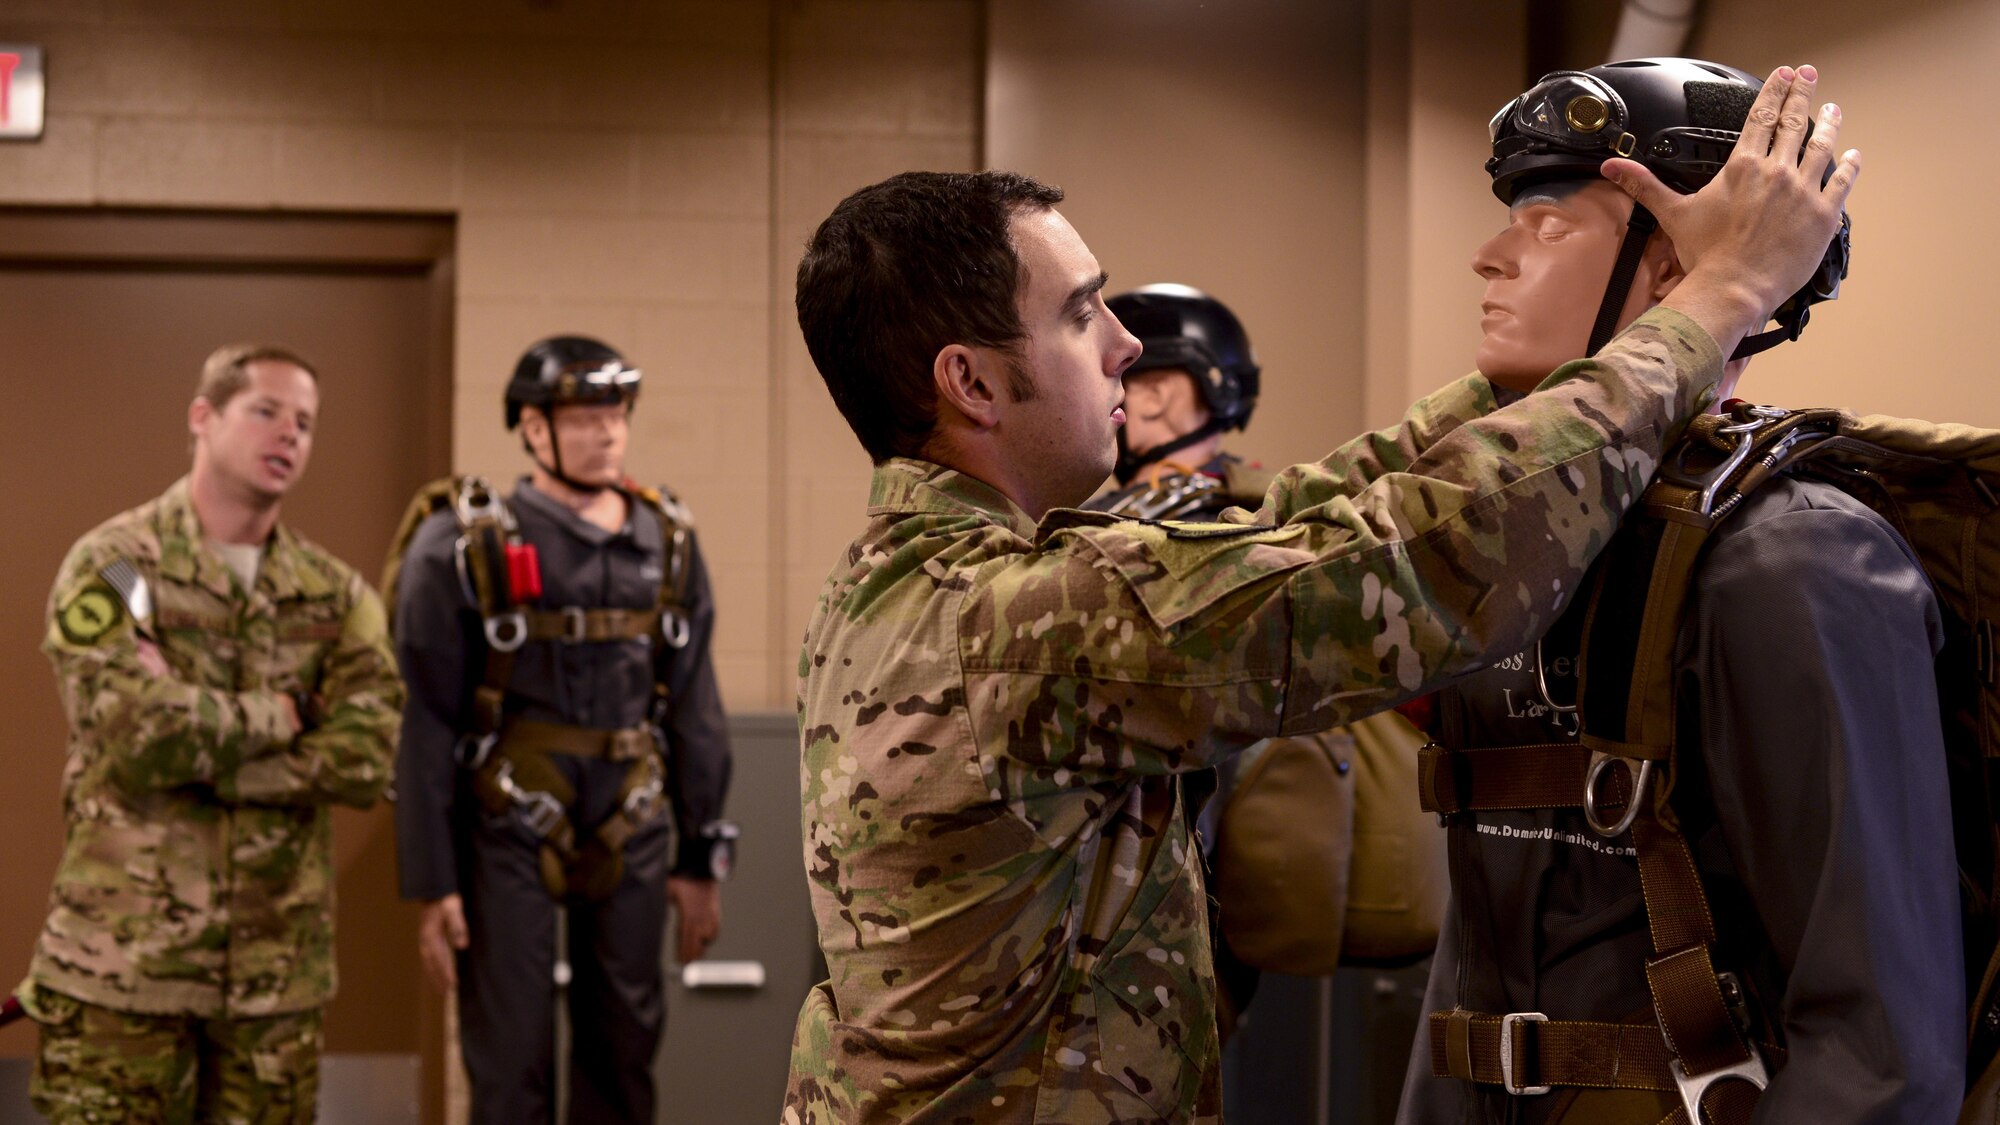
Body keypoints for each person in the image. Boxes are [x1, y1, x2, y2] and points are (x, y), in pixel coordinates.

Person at [781, 63, 1855, 1124]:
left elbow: (1291, 523)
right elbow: (1410, 564)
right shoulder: (1012, 625)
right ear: (968, 382)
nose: (1123, 345)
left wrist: (1545, 374)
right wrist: (1711, 301)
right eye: (1079, 316)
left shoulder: (919, 580)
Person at [1394, 58, 1961, 1123]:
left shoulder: (1792, 560)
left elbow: (1875, 1046)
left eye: (1549, 225)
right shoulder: (1511, 544)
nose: (1489, 256)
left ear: (1673, 268)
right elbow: (1471, 960)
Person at [13, 343, 404, 1123]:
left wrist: (215, 754)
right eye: (266, 411)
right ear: (203, 416)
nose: (288, 434)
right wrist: (289, 714)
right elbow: (132, 732)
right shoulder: (117, 567)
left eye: (305, 422)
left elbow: (369, 756)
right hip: (123, 972)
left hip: (274, 984)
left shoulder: (335, 595)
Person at [390, 335, 735, 1125]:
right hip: (506, 820)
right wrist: (432, 880)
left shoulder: (669, 539)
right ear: (532, 428)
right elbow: (428, 717)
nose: (606, 431)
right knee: (509, 1059)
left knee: (624, 1051)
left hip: (634, 820)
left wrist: (701, 852)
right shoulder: (464, 543)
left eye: (615, 413)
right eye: (582, 415)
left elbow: (694, 705)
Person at [1086, 284, 1445, 1034]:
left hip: (1150, 911)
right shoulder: (1278, 517)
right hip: (1215, 910)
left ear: (1155, 396)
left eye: (1125, 379)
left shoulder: (1132, 539)